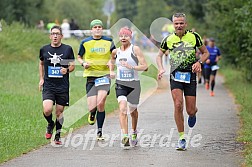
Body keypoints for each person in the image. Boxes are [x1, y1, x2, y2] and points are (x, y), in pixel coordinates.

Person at [156, 13, 209, 150]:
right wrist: (161, 68)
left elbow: (205, 53)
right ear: (173, 24)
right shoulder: (168, 39)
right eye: (176, 23)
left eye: (181, 23)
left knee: (190, 110)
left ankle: (194, 112)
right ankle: (182, 138)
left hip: (190, 76)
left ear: (186, 24)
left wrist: (199, 62)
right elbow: (159, 55)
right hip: (175, 75)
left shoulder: (194, 37)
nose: (179, 25)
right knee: (178, 104)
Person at [109, 27, 148, 147]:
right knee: (122, 108)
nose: (123, 38)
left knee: (133, 111)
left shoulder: (135, 49)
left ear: (130, 37)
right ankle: (125, 136)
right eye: (121, 36)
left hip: (134, 84)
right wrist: (111, 71)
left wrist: (133, 67)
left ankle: (134, 132)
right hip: (121, 83)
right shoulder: (115, 51)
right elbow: (111, 61)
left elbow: (145, 66)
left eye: (126, 36)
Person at [77, 19, 116, 140]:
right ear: (91, 30)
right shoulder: (85, 42)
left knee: (101, 103)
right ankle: (92, 113)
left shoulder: (109, 41)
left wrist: (111, 64)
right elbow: (79, 56)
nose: (98, 29)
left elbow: (113, 55)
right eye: (95, 27)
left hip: (104, 75)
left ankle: (99, 131)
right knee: (92, 106)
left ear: (102, 29)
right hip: (91, 76)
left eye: (100, 27)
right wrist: (83, 63)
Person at [39, 25, 75, 145]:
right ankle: (50, 123)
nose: (55, 36)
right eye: (53, 34)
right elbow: (41, 63)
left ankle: (58, 135)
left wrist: (67, 70)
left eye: (57, 34)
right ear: (50, 36)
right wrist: (41, 79)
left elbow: (72, 65)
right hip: (49, 85)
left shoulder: (67, 49)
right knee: (47, 109)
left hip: (62, 86)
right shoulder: (44, 49)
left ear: (61, 36)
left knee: (59, 112)